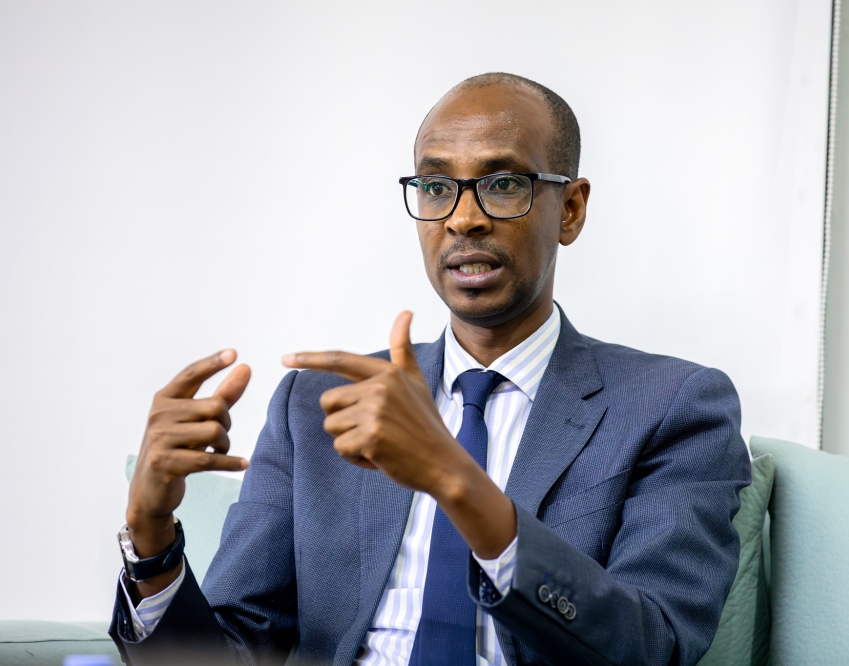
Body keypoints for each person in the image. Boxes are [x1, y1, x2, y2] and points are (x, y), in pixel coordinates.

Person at [111, 72, 752, 666]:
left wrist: (453, 477)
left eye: (504, 183)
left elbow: (655, 646)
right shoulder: (318, 404)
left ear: (572, 209)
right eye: (437, 186)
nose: (463, 217)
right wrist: (151, 535)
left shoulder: (673, 406)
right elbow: (229, 653)